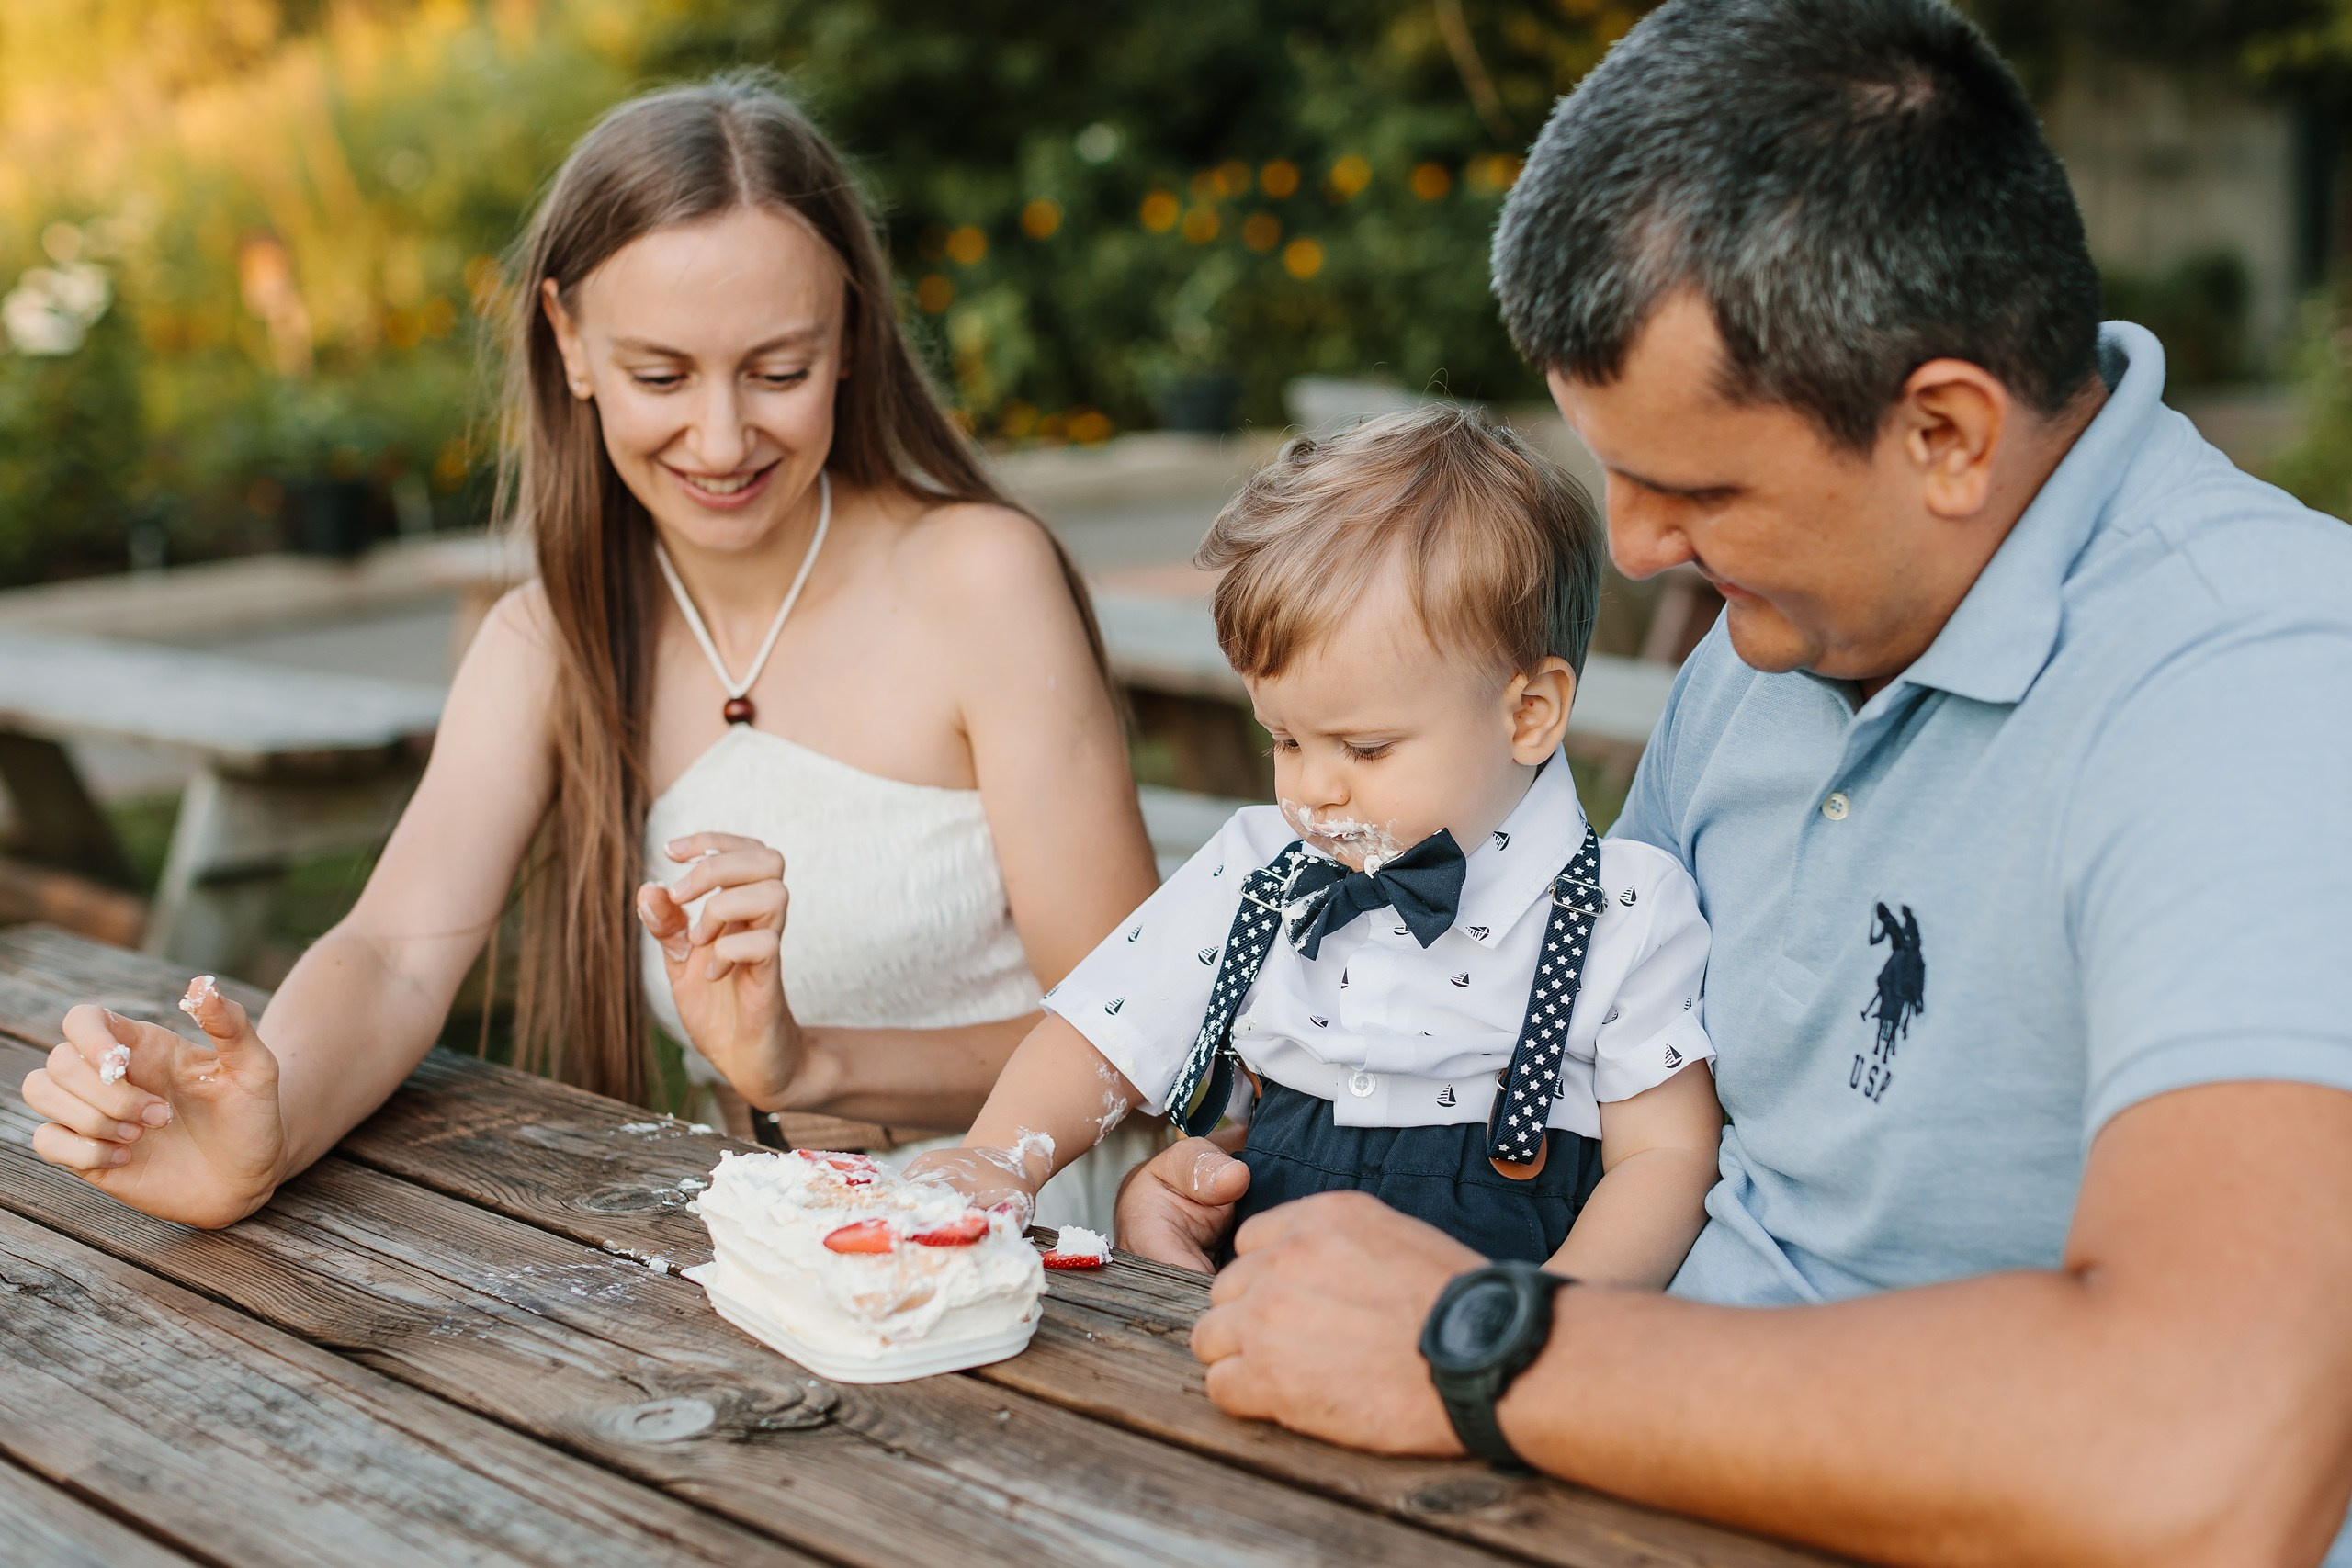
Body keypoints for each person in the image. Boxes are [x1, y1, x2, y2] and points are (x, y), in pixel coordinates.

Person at [1144, 2, 2352, 1562]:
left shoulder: (2261, 685)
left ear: (1945, 432)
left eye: (1697, 487)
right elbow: (1556, 1054)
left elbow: (2205, 1459)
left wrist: (1478, 1345)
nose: (1638, 549)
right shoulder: (1776, 642)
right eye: (1615, 474)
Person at [19, 73, 1163, 1234]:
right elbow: (395, 953)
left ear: (854, 336)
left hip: (1042, 1233)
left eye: (779, 371)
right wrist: (260, 1131)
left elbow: (1137, 1015)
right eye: (660, 376)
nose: (721, 440)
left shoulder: (979, 579)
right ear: (568, 341)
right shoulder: (547, 640)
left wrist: (809, 1070)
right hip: (774, 1239)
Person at [914, 407, 1724, 1283]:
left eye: (1366, 748)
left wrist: (1545, 1325)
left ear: (1528, 714)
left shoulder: (1624, 911)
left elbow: (1664, 1159)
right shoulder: (1262, 864)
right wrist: (1002, 1156)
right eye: (1285, 740)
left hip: (1488, 1311)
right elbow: (1102, 1032)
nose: (1313, 788)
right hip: (1259, 1289)